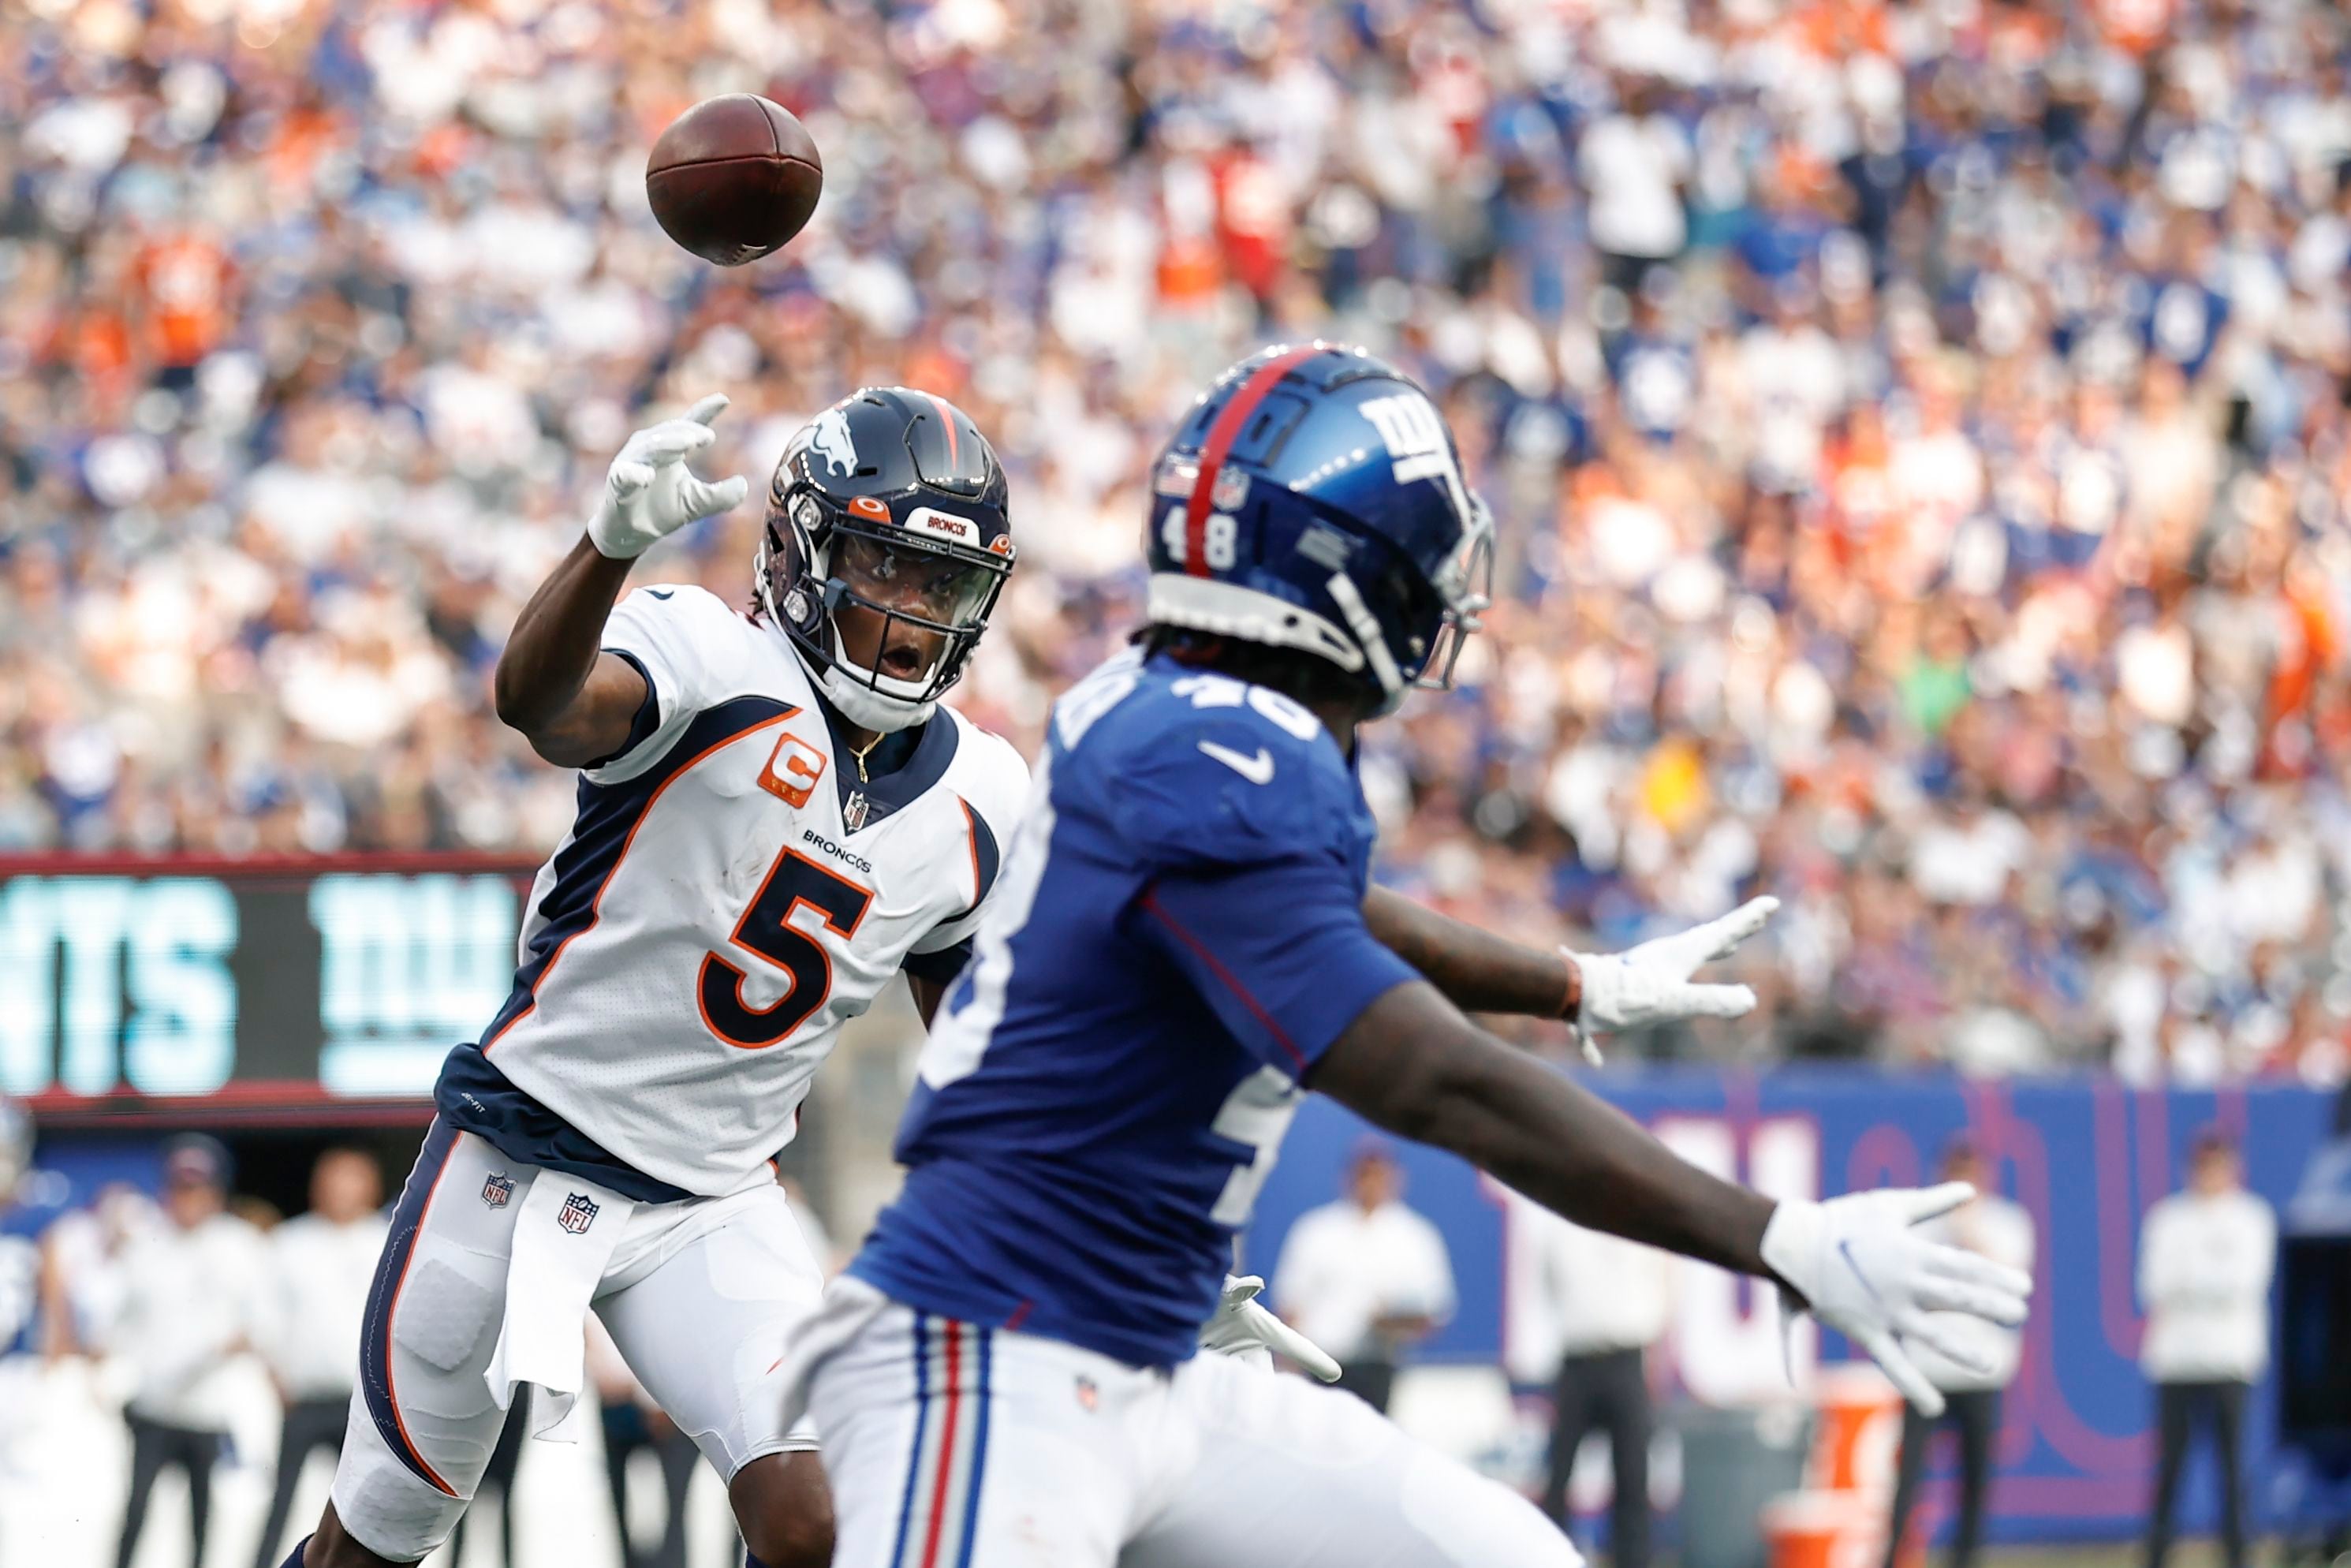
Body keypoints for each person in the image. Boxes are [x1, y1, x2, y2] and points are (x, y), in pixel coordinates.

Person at [778, 343, 2033, 1568]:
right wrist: (1776, 1239)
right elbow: (1435, 1080)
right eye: (1422, 560)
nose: (1443, 592)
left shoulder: (1190, 722)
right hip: (989, 1357)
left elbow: (1331, 912)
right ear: (1340, 572)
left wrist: (1569, 981)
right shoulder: (1209, 761)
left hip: (1147, 1354)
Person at [290, 387, 1031, 1568]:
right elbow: (542, 707)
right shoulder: (707, 654)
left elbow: (991, 1059)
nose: (907, 617)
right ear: (798, 549)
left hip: (712, 1198)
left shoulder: (982, 798)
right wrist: (608, 548)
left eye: (939, 587)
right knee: (373, 1545)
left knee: (827, 1524)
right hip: (518, 1153)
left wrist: (1127, 1243)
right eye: (881, 570)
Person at [109, 1135, 266, 1568]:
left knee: (202, 1520)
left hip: (207, 1407)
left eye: (198, 1189)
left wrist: (240, 1342)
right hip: (154, 1406)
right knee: (135, 1511)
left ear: (217, 1193)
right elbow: (117, 1321)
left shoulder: (240, 1244)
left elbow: (260, 1319)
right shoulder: (144, 1244)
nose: (188, 1199)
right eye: (180, 1188)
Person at [1884, 1141, 2036, 1568]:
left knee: (1974, 1484)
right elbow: (1905, 1290)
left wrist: (1969, 1236)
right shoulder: (1917, 1225)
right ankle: (1894, 1557)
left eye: (1970, 1173)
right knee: (1907, 1481)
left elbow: (2007, 1288)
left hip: (1980, 1371)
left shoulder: (2009, 1222)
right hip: (1926, 1371)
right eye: (1955, 1172)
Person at [2141, 1130, 2276, 1568]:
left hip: (2230, 1361)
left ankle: (2238, 1557)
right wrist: (2207, 1281)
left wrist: (2191, 1281)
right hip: (2175, 1363)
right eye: (2203, 1164)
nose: (2210, 1174)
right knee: (2169, 1473)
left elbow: (2244, 1283)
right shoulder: (2167, 1217)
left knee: (2232, 1474)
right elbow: (2154, 1285)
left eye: (2219, 1164)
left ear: (2234, 1168)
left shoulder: (2252, 1217)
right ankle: (2157, 1556)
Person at [252, 1150, 390, 1568]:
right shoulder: (290, 1242)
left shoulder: (387, 1237)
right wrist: (276, 1377)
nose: (341, 1191)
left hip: (363, 1403)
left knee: (365, 1514)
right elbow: (264, 1316)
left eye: (351, 1180)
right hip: (305, 1397)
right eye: (333, 1180)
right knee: (281, 1501)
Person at [1528, 1216, 1674, 1567]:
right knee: (1559, 1472)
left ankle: (1632, 1561)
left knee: (1632, 1474)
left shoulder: (1637, 1223)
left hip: (1626, 1358)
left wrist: (1655, 1358)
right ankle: (1549, 1559)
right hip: (1577, 1360)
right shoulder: (1561, 1225)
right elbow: (1550, 1284)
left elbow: (1660, 1286)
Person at [1271, 1140, 1454, 1413]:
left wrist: (1394, 1321)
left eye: (1379, 1175)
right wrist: (1290, 1368)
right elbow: (1291, 1302)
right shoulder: (1317, 1231)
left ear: (1395, 1178)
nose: (1371, 1184)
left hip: (1380, 1364)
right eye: (1364, 1174)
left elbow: (1433, 1309)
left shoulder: (1415, 1236)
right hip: (1322, 1364)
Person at [589, 1315, 698, 1568]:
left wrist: (653, 1398)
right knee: (619, 1502)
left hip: (667, 1403)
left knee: (676, 1507)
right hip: (615, 1400)